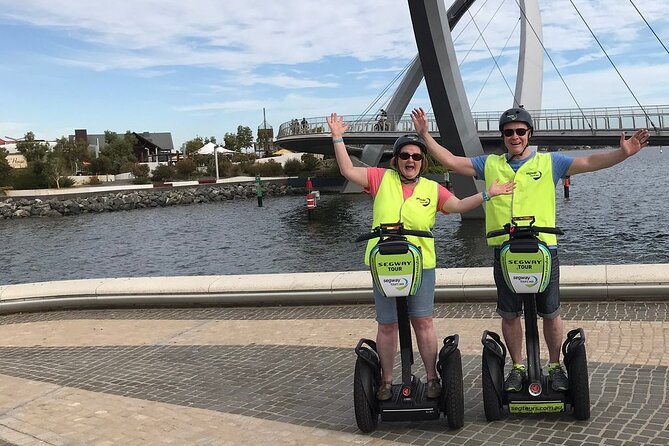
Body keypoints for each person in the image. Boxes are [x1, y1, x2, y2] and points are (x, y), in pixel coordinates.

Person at [411, 106, 650, 393]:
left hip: (543, 250)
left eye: (520, 131)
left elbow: (588, 160)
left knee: (551, 312)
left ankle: (554, 365)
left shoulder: (551, 163)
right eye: (509, 132)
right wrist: (424, 135)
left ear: (529, 134)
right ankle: (517, 366)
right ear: (503, 136)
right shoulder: (489, 164)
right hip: (505, 250)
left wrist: (621, 153)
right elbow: (451, 161)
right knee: (509, 313)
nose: (515, 136)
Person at [327, 112, 515, 401]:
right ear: (396, 160)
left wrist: (488, 195)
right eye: (404, 155)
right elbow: (347, 170)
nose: (410, 160)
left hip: (421, 266)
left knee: (423, 322)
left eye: (416, 156)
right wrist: (337, 137)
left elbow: (459, 205)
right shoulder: (380, 178)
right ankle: (387, 382)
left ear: (422, 161)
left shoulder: (432, 188)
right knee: (387, 324)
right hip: (385, 264)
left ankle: (432, 378)